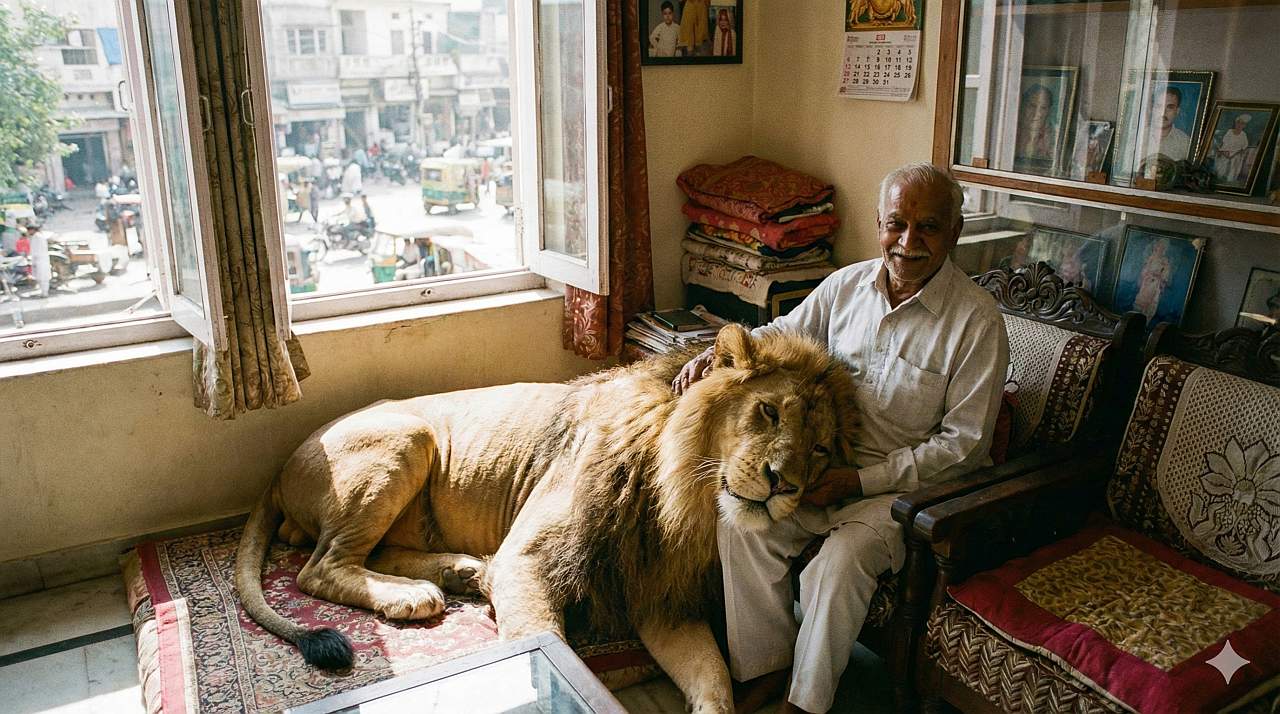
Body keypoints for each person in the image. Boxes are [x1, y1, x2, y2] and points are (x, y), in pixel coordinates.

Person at [673, 164, 1009, 714]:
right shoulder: (846, 286)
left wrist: (859, 480)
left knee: (840, 562)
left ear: (955, 231)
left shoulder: (976, 322)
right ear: (878, 223)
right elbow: (781, 334)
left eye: (927, 227)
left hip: (898, 493)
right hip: (818, 469)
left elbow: (964, 446)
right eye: (896, 224)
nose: (907, 242)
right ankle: (766, 669)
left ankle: (805, 704)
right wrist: (713, 355)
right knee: (742, 526)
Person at [1147, 86, 1192, 161]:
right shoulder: (1136, 138)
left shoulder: (1186, 143)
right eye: (1159, 106)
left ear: (1177, 111)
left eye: (1170, 107)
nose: (1163, 112)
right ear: (1152, 109)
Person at [1015, 85, 1056, 166]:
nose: (1037, 113)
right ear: (1023, 105)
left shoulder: (1055, 137)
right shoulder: (1010, 130)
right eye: (1032, 106)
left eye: (1043, 108)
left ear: (1049, 111)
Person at [1132, 238, 1172, 320]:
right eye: (1158, 246)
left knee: (1150, 305)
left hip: (1156, 284)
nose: (1158, 248)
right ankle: (1134, 319)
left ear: (1164, 249)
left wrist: (1158, 276)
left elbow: (1165, 275)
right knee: (1141, 301)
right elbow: (1145, 269)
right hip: (1146, 282)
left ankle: (1145, 321)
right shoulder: (1151, 258)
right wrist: (1146, 274)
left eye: (1161, 247)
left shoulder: (1165, 261)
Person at [1213, 114, 1252, 184]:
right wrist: (1222, 151)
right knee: (1222, 160)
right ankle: (1219, 177)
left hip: (1236, 154)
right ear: (1235, 123)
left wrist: (1233, 154)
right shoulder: (1229, 132)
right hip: (1225, 152)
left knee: (1234, 160)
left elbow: (1243, 148)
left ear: (1244, 126)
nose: (1239, 125)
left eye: (1242, 123)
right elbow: (1223, 143)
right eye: (1238, 122)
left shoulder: (1243, 135)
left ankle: (1229, 179)